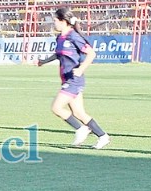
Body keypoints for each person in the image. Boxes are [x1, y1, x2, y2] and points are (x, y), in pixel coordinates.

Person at [37, 8, 110, 149]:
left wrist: (81, 69)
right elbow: (58, 54)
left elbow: (91, 54)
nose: (54, 24)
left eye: (56, 21)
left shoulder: (73, 36)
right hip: (67, 79)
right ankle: (103, 136)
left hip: (73, 80)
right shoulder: (60, 37)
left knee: (56, 107)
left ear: (63, 21)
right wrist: (44, 61)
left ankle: (81, 129)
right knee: (78, 113)